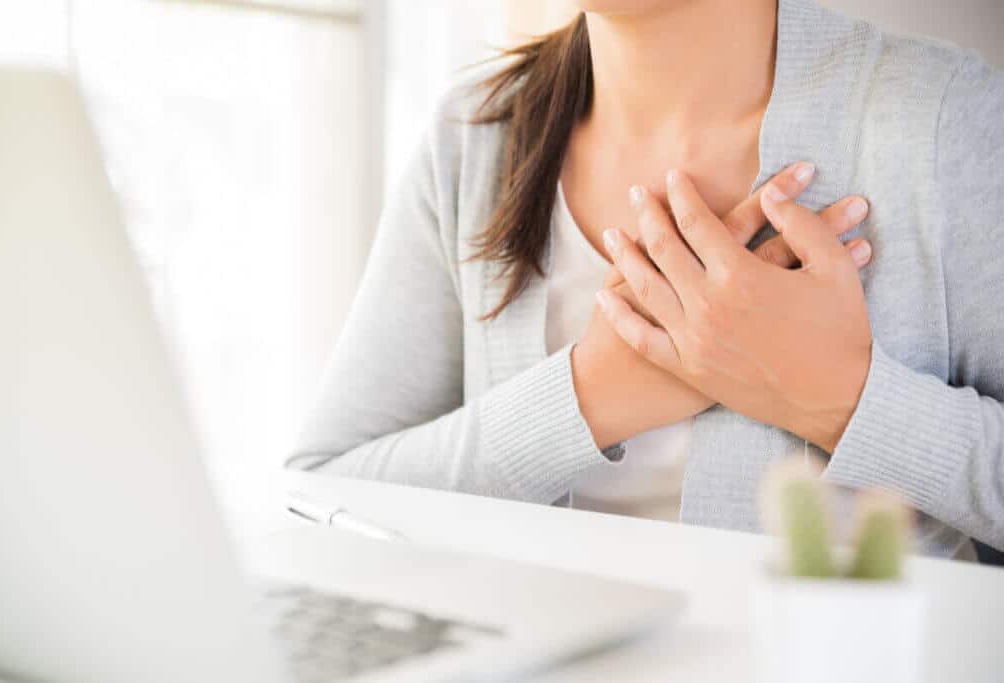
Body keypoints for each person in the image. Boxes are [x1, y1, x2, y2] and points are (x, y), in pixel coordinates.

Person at [291, 0, 1004, 558]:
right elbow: (317, 497)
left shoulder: (948, 121)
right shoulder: (475, 138)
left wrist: (838, 397)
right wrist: (589, 397)